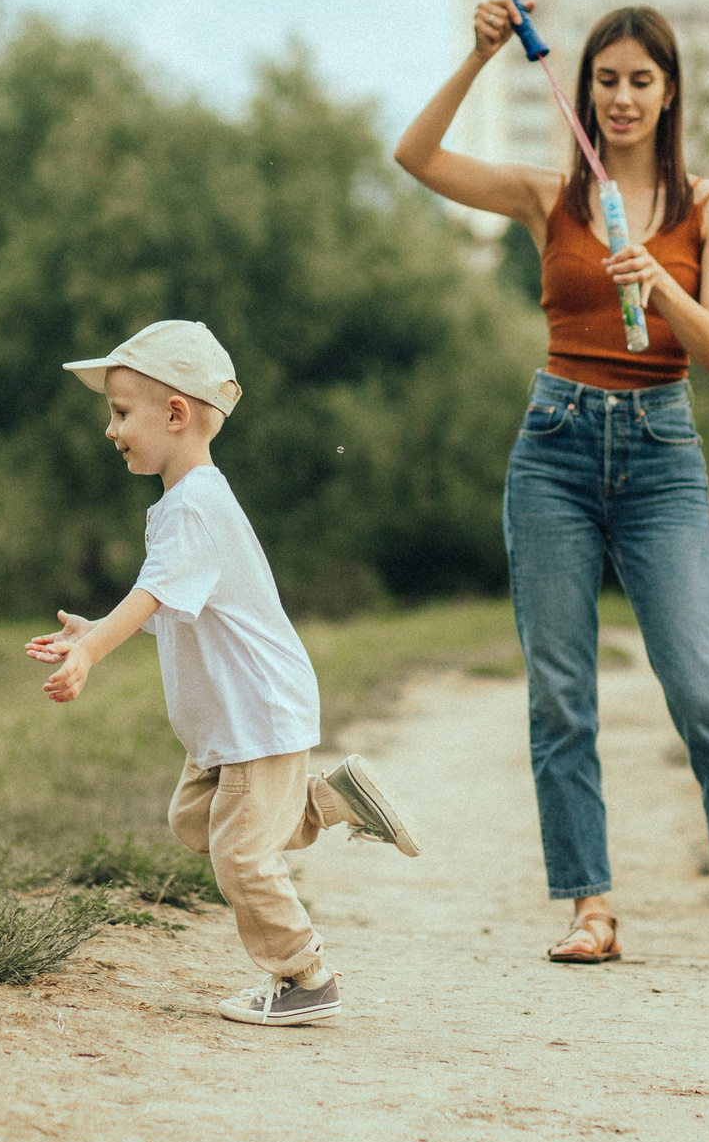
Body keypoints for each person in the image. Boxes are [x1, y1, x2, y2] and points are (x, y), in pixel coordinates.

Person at [393, 0, 709, 964]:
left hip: (662, 452)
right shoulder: (552, 197)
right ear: (585, 90)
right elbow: (416, 158)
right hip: (557, 446)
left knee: (701, 683)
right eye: (606, 80)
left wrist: (657, 280)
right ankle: (590, 907)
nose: (621, 98)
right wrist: (479, 56)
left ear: (669, 95)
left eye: (641, 81)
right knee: (559, 693)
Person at [25, 318, 422, 1025]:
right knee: (195, 820)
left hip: (257, 714)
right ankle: (336, 800)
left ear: (175, 413)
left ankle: (307, 976)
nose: (110, 430)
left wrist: (92, 650)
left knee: (240, 857)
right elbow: (173, 601)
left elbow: (151, 593)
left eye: (120, 413)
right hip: (231, 721)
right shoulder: (187, 503)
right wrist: (98, 627)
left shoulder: (197, 506)